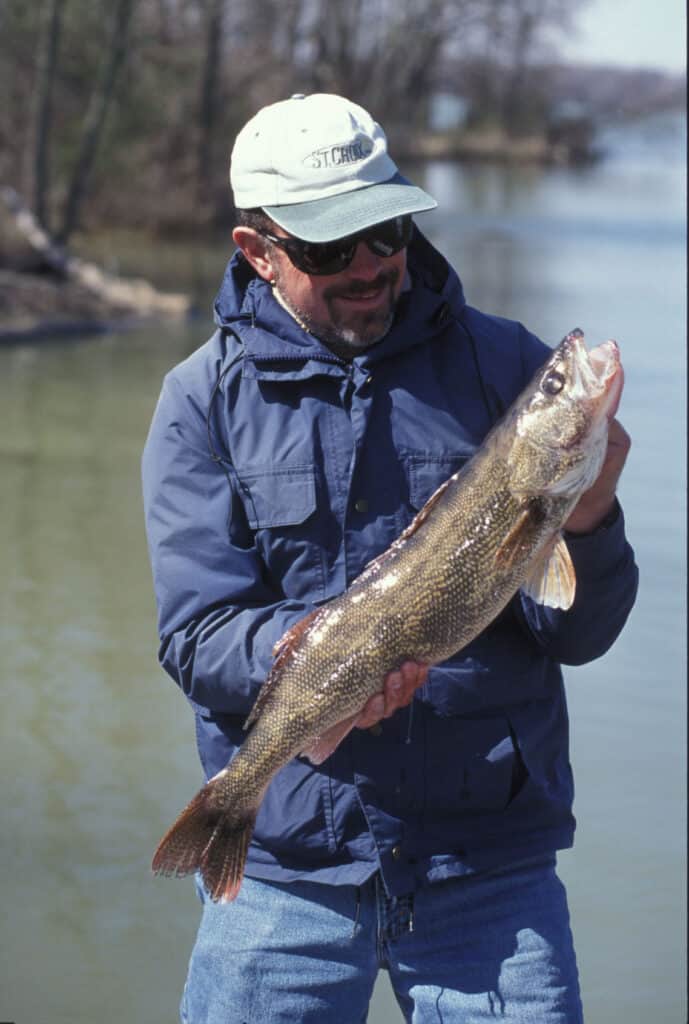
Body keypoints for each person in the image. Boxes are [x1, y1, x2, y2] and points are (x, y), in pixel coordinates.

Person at [142, 93, 638, 1023]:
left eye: (386, 229)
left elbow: (580, 637)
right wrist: (318, 662)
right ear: (258, 250)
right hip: (285, 872)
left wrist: (590, 513)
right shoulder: (198, 402)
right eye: (332, 248)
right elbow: (196, 637)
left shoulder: (509, 368)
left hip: (487, 870)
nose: (371, 265)